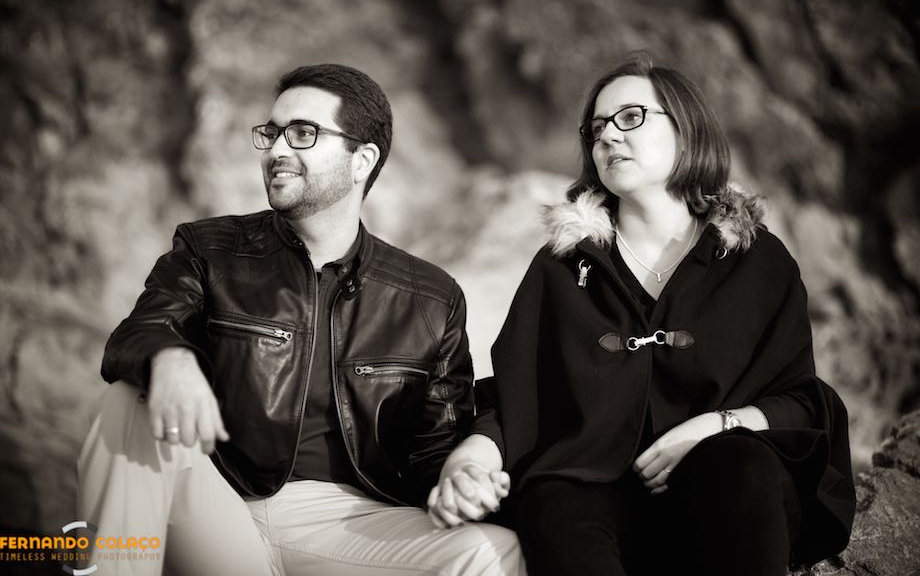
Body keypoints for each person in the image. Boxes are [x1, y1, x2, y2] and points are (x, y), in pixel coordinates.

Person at [77, 63, 524, 576]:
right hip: (218, 501)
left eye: (303, 133)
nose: (277, 150)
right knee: (126, 400)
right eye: (271, 133)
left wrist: (460, 480)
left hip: (348, 523)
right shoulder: (209, 250)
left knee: (495, 551)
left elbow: (433, 452)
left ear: (362, 160)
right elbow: (139, 334)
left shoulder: (429, 297)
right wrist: (170, 358)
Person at [428, 53, 856, 576]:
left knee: (740, 464)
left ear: (687, 129)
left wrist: (715, 427)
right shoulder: (564, 267)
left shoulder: (756, 261)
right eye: (596, 128)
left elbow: (800, 399)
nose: (607, 137)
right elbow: (520, 397)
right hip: (590, 492)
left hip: (726, 490)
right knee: (554, 502)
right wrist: (470, 459)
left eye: (630, 117)